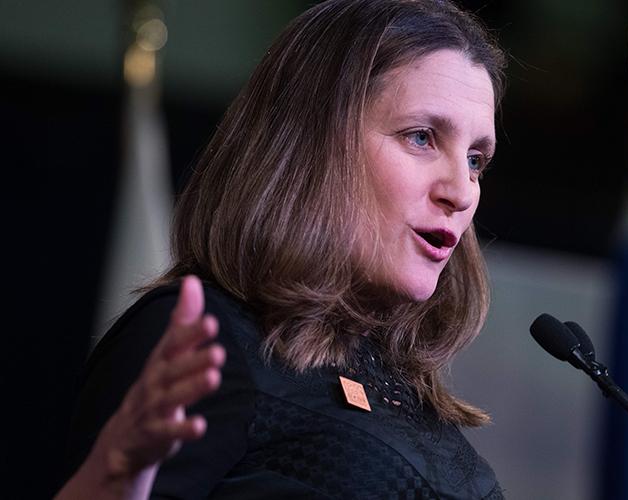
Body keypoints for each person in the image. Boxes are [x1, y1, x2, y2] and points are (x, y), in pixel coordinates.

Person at [62, 0, 508, 498]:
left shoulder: (404, 388)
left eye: (475, 160)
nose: (463, 191)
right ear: (313, 145)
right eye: (422, 137)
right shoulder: (203, 341)